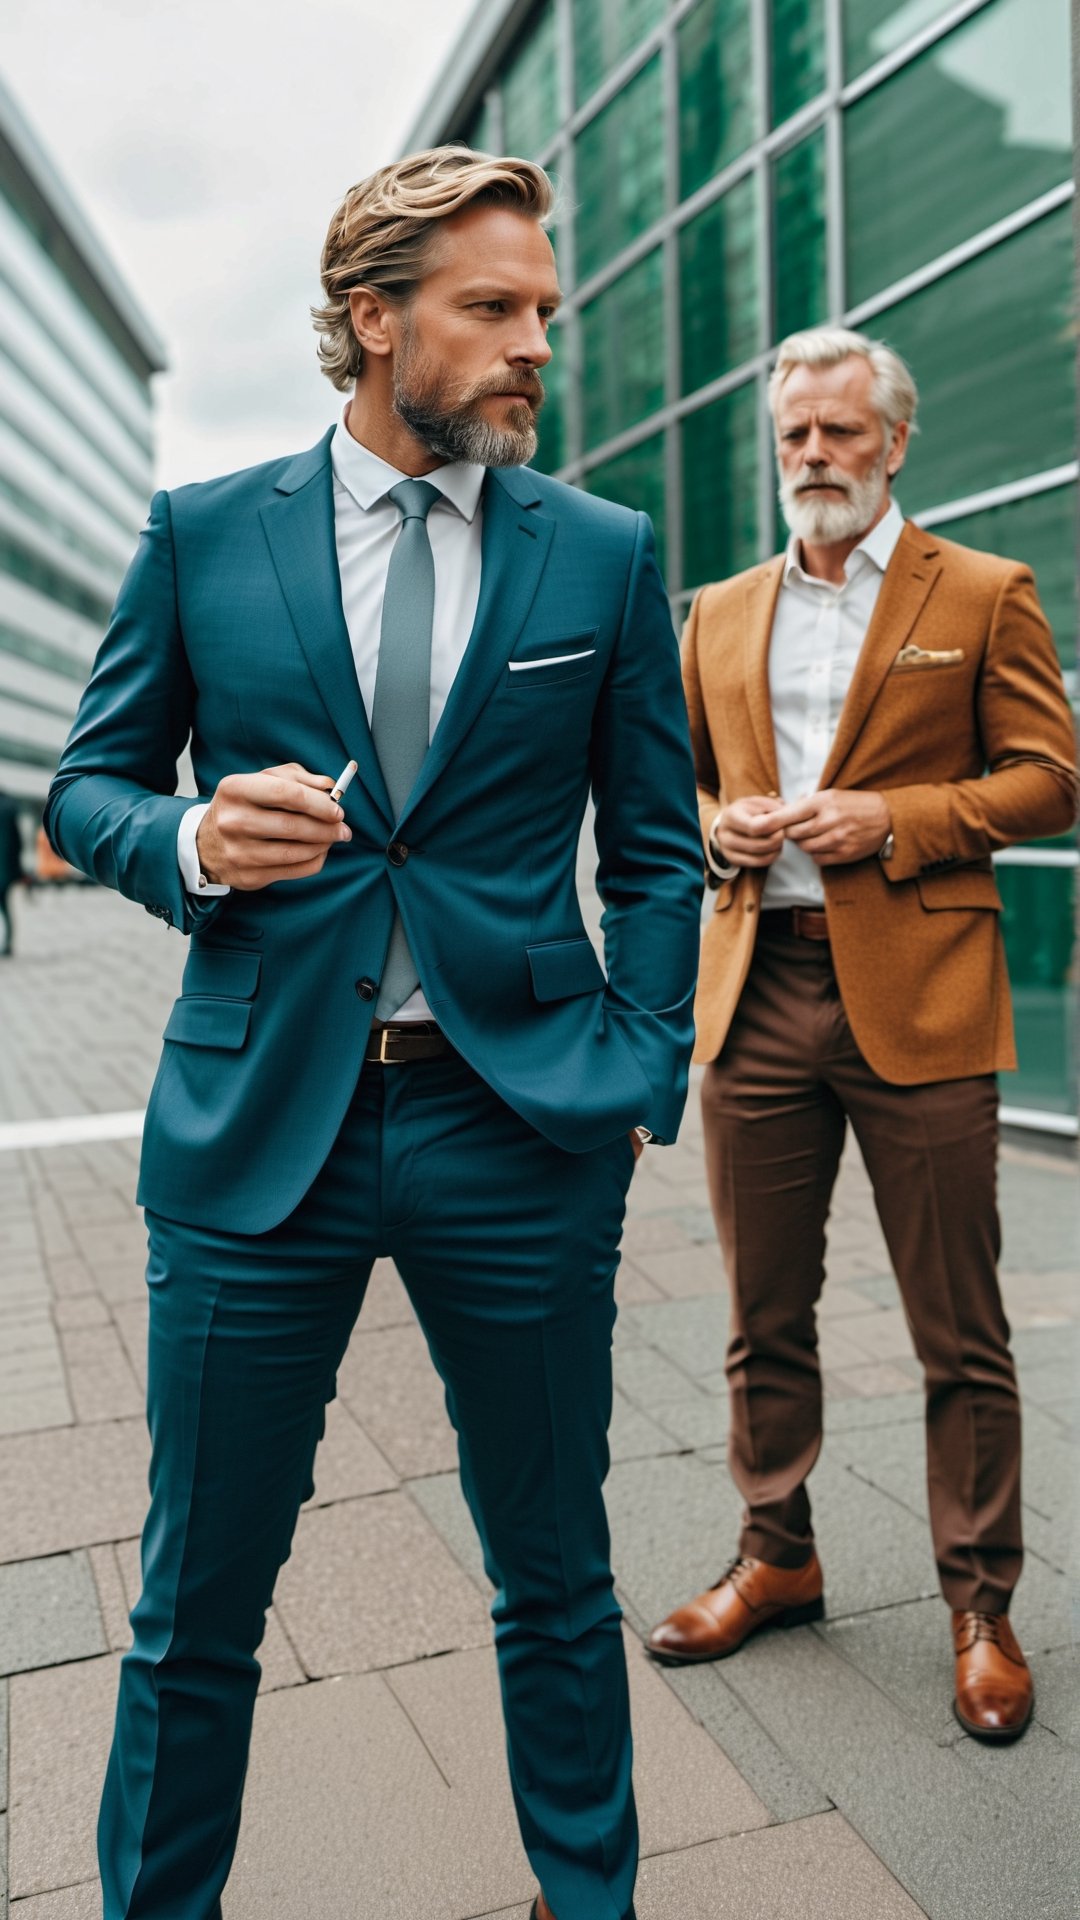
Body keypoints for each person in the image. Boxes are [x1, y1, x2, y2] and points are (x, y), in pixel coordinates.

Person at [45, 147, 702, 1920]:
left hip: (522, 1129)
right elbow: (87, 785)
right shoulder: (202, 534)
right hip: (261, 1132)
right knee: (196, 1606)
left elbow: (655, 841)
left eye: (542, 314)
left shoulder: (604, 554)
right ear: (372, 321)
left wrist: (643, 1061)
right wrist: (186, 842)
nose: (530, 349)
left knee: (558, 1580)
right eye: (493, 310)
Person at [647, 326, 1077, 1744]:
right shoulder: (713, 612)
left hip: (924, 995)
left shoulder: (986, 591)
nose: (815, 459)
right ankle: (779, 1551)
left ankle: (981, 1601)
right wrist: (724, 829)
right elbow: (679, 794)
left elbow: (1049, 780)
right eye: (794, 440)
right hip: (755, 988)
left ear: (895, 441)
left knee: (960, 1325)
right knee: (761, 1312)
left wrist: (898, 821)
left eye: (840, 434)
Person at [0, 789, 24, 955]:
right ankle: (8, 944)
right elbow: (18, 843)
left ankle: (8, 944)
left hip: (5, 867)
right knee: (5, 906)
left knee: (5, 906)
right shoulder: (9, 805)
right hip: (6, 868)